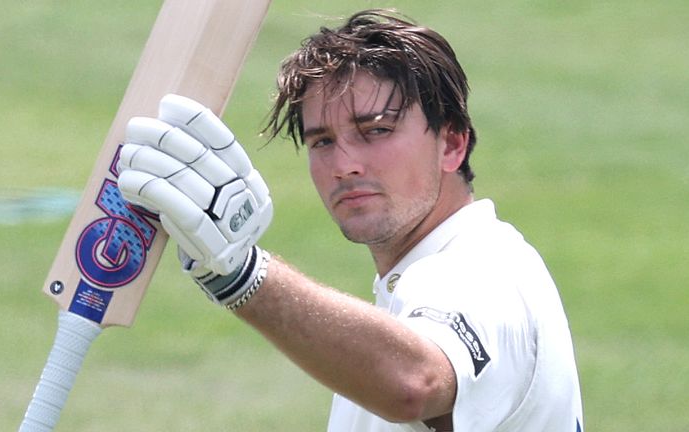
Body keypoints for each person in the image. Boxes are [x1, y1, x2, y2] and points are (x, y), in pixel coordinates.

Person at [117, 9, 583, 432]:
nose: (344, 165)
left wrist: (242, 276)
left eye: (376, 130)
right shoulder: (415, 284)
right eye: (322, 141)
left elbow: (414, 383)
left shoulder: (482, 271)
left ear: (452, 144)